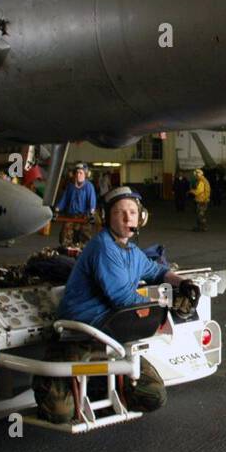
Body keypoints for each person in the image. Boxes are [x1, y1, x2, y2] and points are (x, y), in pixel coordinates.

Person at [52, 187, 187, 415]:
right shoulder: (103, 247)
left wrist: (182, 283)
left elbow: (156, 270)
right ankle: (95, 383)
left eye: (133, 212)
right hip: (81, 333)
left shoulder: (132, 251)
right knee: (60, 412)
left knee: (153, 395)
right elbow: (122, 297)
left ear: (141, 218)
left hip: (111, 330)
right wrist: (167, 304)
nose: (127, 218)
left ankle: (98, 384)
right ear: (106, 218)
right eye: (119, 212)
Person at [54, 163, 97, 246]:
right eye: (77, 172)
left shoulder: (89, 186)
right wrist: (56, 210)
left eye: (81, 173)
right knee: (64, 235)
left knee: (85, 237)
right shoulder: (70, 186)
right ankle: (67, 249)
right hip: (71, 215)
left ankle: (84, 251)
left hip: (84, 216)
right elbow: (64, 199)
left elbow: (92, 201)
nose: (78, 175)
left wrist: (91, 213)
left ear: (86, 175)